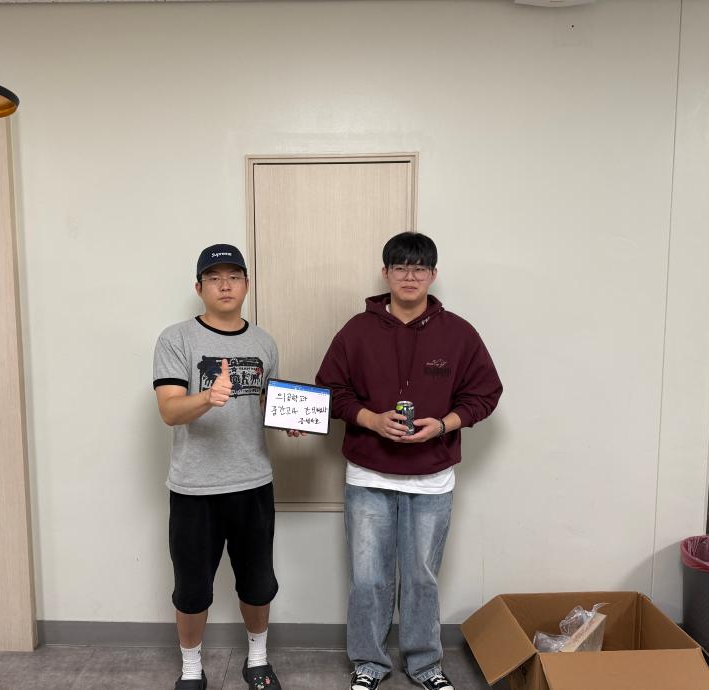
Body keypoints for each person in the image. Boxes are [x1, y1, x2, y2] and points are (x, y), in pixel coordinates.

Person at [316, 232, 503, 690]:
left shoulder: (459, 333)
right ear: (385, 273)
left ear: (433, 275)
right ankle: (369, 663)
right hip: (368, 475)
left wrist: (443, 425)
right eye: (400, 267)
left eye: (419, 268)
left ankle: (425, 664)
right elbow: (330, 391)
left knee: (422, 579)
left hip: (432, 479)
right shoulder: (356, 331)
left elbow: (485, 393)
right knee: (368, 579)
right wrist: (371, 421)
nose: (410, 276)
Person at [154, 243, 296, 690]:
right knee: (192, 586)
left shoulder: (264, 342)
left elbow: (266, 404)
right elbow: (169, 411)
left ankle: (258, 660)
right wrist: (206, 398)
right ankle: (191, 667)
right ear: (199, 288)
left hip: (253, 483)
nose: (225, 285)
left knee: (258, 581)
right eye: (214, 278)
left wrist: (289, 419)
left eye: (234, 277)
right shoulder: (176, 339)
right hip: (194, 487)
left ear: (247, 285)